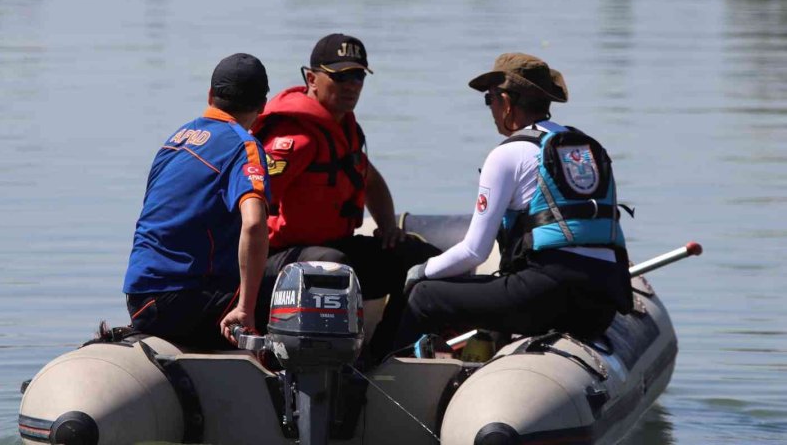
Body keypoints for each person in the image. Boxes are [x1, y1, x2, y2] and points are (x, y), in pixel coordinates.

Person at [396, 52, 633, 351]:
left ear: (506, 101)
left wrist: (417, 273)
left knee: (424, 295)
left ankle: (380, 377)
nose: (490, 108)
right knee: (502, 288)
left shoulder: (508, 153)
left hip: (548, 295)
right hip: (601, 306)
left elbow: (474, 251)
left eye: (490, 99)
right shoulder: (586, 147)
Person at [252, 33, 438, 358]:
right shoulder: (295, 140)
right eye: (340, 77)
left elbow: (371, 181)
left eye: (358, 76)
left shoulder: (341, 130)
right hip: (278, 259)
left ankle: (386, 350)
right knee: (334, 268)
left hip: (333, 247)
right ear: (311, 78)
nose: (352, 85)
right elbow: (249, 204)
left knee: (422, 259)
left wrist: (388, 227)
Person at [123, 53, 271, 348]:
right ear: (263, 106)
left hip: (139, 298)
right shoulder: (244, 146)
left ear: (210, 95)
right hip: (184, 302)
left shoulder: (176, 139)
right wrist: (244, 309)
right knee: (293, 290)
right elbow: (254, 224)